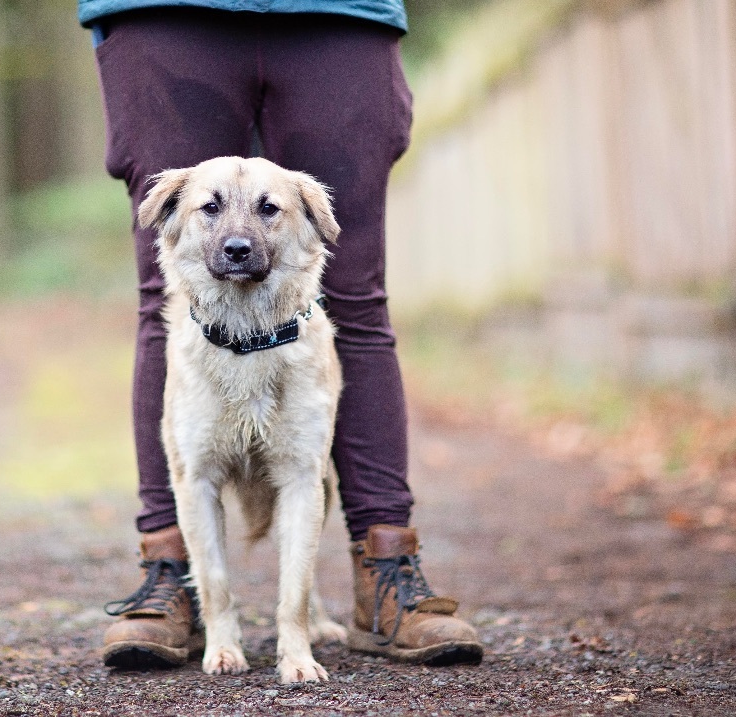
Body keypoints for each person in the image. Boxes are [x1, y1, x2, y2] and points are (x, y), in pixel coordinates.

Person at [78, 0, 484, 669]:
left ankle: (386, 570)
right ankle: (171, 572)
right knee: (168, 296)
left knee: (355, 295)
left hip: (339, 10)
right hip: (164, 12)